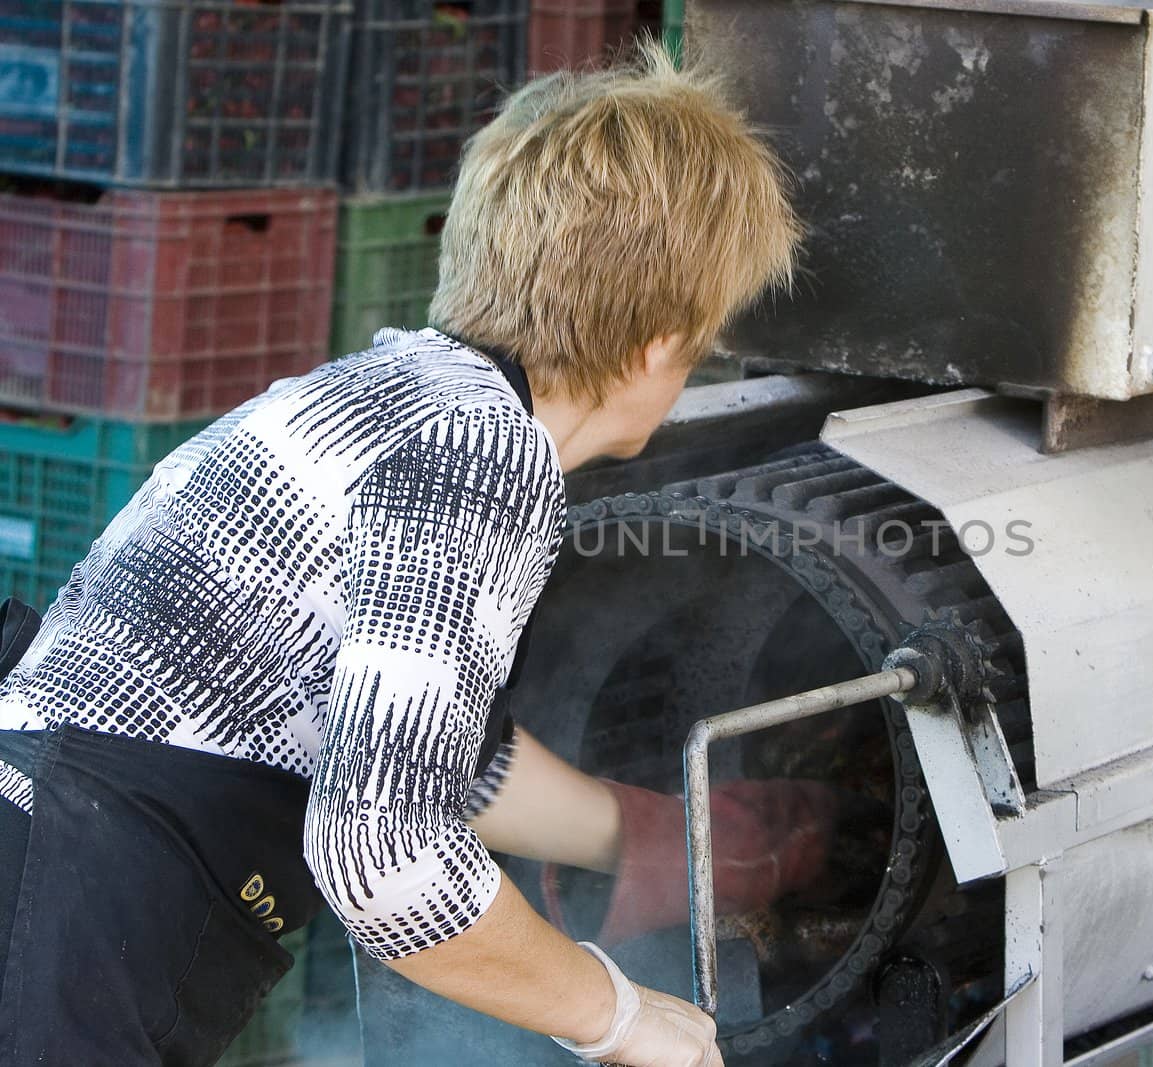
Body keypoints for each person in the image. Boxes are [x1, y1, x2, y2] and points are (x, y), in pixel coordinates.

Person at [0, 44, 816, 1067]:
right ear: (659, 340)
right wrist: (615, 1014)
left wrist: (656, 833)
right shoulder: (483, 457)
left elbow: (425, 753)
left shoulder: (400, 394)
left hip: (50, 861)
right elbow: (380, 850)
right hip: (71, 910)